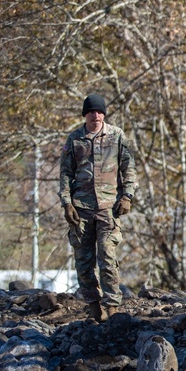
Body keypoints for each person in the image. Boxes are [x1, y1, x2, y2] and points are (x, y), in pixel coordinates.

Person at [59, 94, 137, 323]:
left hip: (108, 207)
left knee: (107, 255)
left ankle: (112, 306)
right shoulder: (74, 139)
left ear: (104, 114)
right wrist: (66, 202)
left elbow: (129, 167)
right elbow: (65, 174)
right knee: (83, 260)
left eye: (99, 111)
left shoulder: (117, 136)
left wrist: (127, 196)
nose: (96, 115)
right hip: (81, 208)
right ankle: (93, 306)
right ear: (85, 114)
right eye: (91, 112)